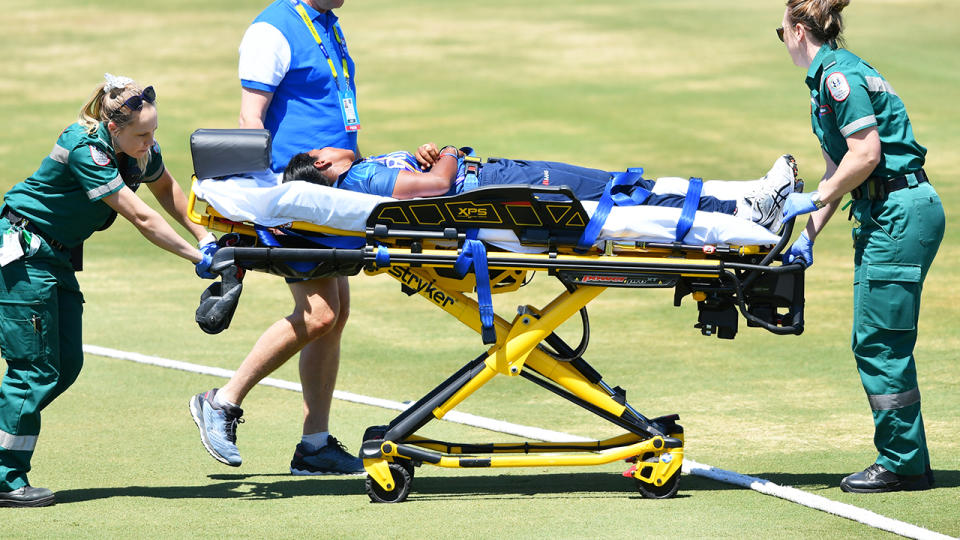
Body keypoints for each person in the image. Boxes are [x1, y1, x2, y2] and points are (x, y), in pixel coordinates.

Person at [0, 74, 217, 508]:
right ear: (114, 127)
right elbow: (142, 217)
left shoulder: (136, 149)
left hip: (54, 258)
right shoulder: (88, 149)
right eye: (142, 135)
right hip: (24, 254)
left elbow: (168, 191)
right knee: (35, 370)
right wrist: (199, 260)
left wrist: (206, 237)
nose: (150, 143)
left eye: (154, 132)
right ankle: (6, 478)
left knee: (65, 364)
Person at [189, 0, 364, 475]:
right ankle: (221, 401)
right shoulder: (272, 30)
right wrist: (272, 199)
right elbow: (251, 119)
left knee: (336, 315)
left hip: (328, 196)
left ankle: (315, 445)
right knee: (321, 313)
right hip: (295, 198)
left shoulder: (329, 23)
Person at [776, 0, 944, 493]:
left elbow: (866, 155)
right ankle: (906, 458)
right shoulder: (832, 75)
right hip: (886, 209)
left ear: (799, 30)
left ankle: (903, 463)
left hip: (897, 212)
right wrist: (806, 236)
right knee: (878, 339)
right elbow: (839, 171)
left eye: (780, 30)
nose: (781, 39)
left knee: (879, 342)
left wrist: (816, 197)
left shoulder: (838, 78)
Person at [282, 144, 799, 231]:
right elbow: (439, 184)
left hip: (499, 180)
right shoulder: (361, 177)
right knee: (619, 197)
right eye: (323, 151)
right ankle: (745, 210)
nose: (334, 147)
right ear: (322, 165)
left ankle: (742, 196)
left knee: (621, 186)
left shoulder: (363, 174)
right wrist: (449, 154)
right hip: (500, 184)